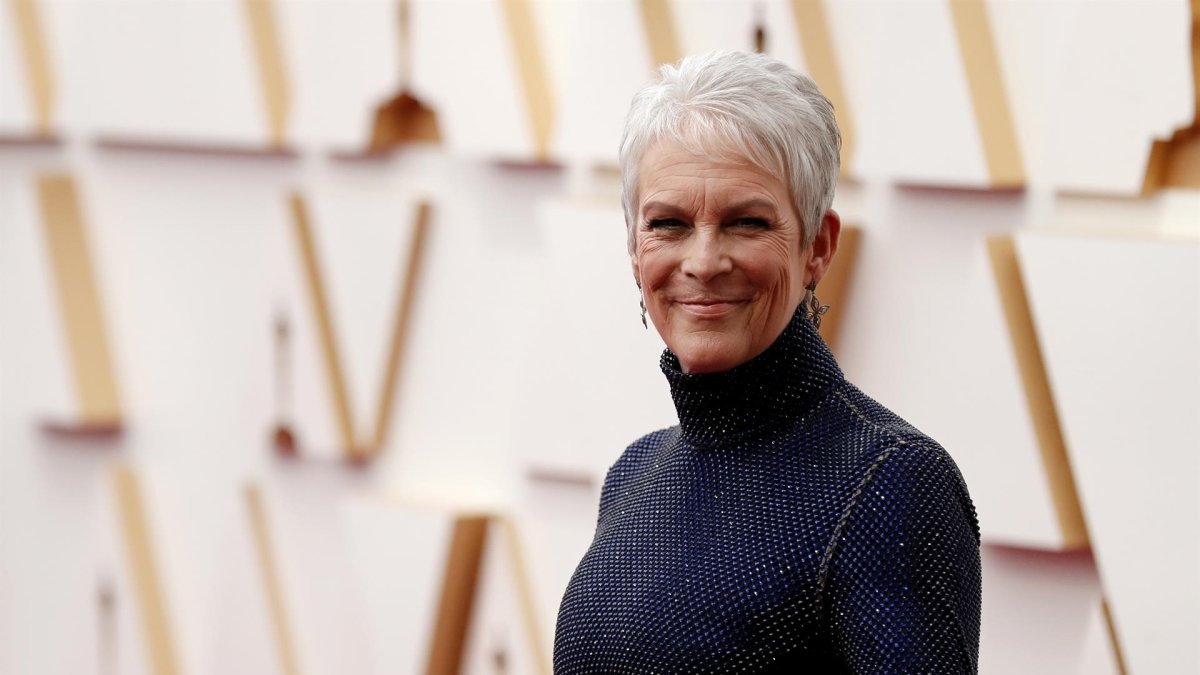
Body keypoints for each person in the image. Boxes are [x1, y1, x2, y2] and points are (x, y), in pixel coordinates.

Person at [553, 51, 982, 674]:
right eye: (668, 224)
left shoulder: (889, 483)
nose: (703, 261)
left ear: (817, 246)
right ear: (631, 246)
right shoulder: (635, 472)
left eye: (747, 223)